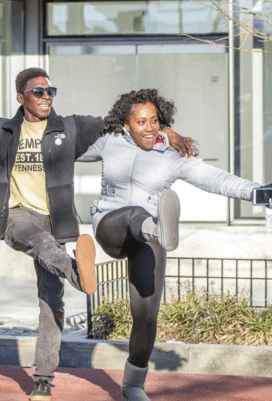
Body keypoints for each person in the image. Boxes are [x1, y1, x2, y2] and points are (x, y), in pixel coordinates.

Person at [0, 68, 194, 401]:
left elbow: (119, 120)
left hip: (54, 220)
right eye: (38, 92)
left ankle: (43, 379)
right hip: (17, 217)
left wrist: (164, 128)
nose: (46, 97)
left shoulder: (70, 128)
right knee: (40, 242)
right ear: (21, 97)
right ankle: (78, 273)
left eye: (51, 91)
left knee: (52, 301)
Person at [78, 88, 269, 401]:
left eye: (155, 121)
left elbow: (213, 178)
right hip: (112, 226)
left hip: (151, 239)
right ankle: (153, 224)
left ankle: (133, 385)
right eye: (141, 122)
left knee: (146, 315)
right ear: (126, 125)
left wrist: (257, 192)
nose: (150, 127)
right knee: (136, 214)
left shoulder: (172, 154)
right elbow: (67, 147)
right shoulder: (109, 141)